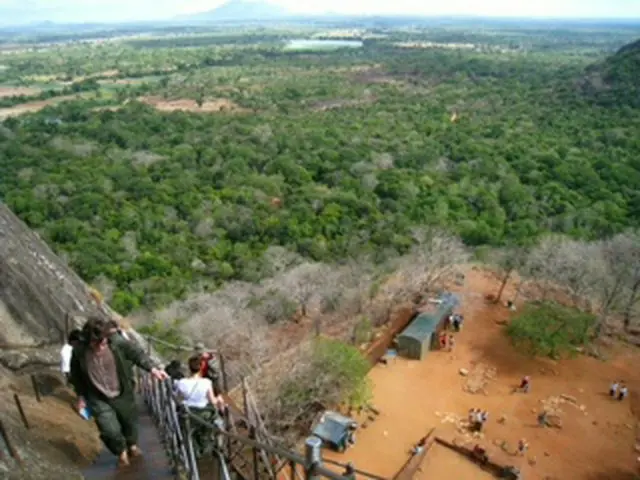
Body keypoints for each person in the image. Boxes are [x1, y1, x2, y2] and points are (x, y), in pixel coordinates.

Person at [69, 316, 168, 468]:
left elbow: (137, 354)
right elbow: (76, 375)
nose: (101, 346)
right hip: (98, 396)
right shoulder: (79, 352)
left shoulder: (117, 343)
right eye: (96, 343)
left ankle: (132, 445)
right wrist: (81, 396)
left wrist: (153, 369)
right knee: (109, 429)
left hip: (122, 391)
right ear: (88, 340)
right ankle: (121, 452)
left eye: (103, 342)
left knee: (129, 423)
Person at [174, 355, 226, 457]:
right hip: (205, 415)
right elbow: (213, 401)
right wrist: (220, 401)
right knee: (209, 428)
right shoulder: (206, 382)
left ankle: (193, 453)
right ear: (201, 367)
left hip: (188, 415)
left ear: (189, 368)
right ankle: (206, 447)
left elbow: (178, 399)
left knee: (189, 433)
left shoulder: (182, 382)